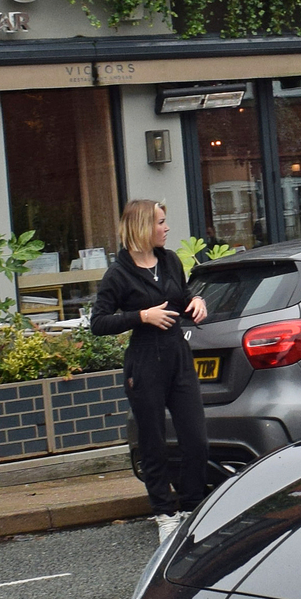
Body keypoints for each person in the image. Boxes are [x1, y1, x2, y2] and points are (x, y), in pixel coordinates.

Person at [93, 199, 210, 538]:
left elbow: (182, 298)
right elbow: (98, 322)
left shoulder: (170, 261)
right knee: (153, 442)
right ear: (143, 227)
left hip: (178, 356)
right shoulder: (118, 274)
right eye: (161, 222)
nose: (166, 228)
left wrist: (197, 302)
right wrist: (141, 316)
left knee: (196, 439)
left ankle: (190, 506)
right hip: (144, 363)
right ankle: (164, 513)